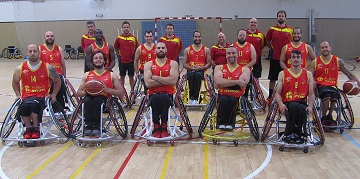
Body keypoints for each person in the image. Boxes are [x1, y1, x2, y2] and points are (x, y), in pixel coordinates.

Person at [12, 44, 61, 139]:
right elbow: (15, 82)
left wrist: (54, 94)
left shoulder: (48, 67)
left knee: (34, 105)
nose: (32, 53)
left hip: (42, 97)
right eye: (30, 51)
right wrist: (18, 95)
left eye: (34, 51)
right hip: (26, 97)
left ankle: (36, 128)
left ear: (39, 53)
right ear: (27, 53)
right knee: (24, 106)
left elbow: (58, 81)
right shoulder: (20, 68)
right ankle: (29, 128)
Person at [308, 41, 360, 126]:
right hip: (321, 86)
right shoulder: (315, 62)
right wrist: (312, 82)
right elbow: (309, 75)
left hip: (333, 86)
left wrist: (358, 83)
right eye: (322, 48)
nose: (325, 49)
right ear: (320, 50)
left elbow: (349, 74)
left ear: (330, 48)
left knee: (335, 96)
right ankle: (323, 117)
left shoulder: (337, 61)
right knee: (327, 96)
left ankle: (329, 116)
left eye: (326, 47)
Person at [77, 51, 125, 137]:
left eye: (100, 58)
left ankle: (97, 126)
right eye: (95, 58)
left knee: (97, 100)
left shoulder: (112, 75)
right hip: (89, 98)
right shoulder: (87, 75)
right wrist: (85, 92)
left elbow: (121, 93)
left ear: (104, 61)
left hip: (105, 100)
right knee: (87, 100)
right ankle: (88, 126)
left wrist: (108, 90)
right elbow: (79, 93)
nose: (98, 60)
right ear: (92, 61)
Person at [275, 50, 315, 143]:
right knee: (294, 106)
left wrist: (310, 106)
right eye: (293, 57)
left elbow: (311, 94)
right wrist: (280, 104)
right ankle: (291, 133)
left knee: (301, 108)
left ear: (302, 60)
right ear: (290, 60)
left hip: (302, 102)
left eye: (298, 57)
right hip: (288, 103)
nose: (296, 59)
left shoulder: (308, 74)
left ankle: (297, 133)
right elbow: (277, 93)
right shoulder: (283, 73)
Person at [143, 42, 179, 138]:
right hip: (153, 93)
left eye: (163, 48)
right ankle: (156, 125)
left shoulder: (173, 63)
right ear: (155, 50)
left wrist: (155, 77)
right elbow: (148, 83)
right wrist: (166, 80)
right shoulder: (148, 64)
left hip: (168, 94)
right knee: (155, 98)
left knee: (163, 98)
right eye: (158, 48)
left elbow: (173, 81)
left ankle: (164, 125)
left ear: (166, 50)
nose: (161, 50)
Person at [214, 46, 251, 130]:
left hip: (237, 96)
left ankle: (230, 123)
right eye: (229, 53)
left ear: (238, 55)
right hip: (222, 94)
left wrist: (224, 82)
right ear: (226, 56)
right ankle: (221, 122)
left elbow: (243, 84)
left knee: (231, 100)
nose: (231, 55)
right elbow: (218, 82)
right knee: (224, 100)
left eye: (233, 53)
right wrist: (237, 82)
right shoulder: (219, 67)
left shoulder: (245, 69)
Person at [266, 10, 293, 102]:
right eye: (279, 16)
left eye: (282, 16)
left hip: (286, 59)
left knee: (286, 78)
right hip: (275, 57)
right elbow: (267, 41)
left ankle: (285, 96)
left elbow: (293, 43)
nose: (281, 17)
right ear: (277, 18)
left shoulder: (290, 30)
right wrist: (273, 48)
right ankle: (270, 97)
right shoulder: (272, 29)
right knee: (273, 78)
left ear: (285, 18)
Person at [39, 31, 67, 109]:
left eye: (51, 36)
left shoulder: (59, 49)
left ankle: (60, 108)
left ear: (54, 38)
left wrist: (65, 77)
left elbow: (63, 65)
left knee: (59, 84)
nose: (50, 37)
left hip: (58, 75)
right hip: (45, 75)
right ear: (44, 38)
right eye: (47, 36)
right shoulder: (40, 49)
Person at [182, 31, 211, 104]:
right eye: (195, 37)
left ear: (201, 37)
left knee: (197, 75)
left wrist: (201, 68)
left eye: (198, 37)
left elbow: (209, 64)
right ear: (193, 38)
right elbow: (184, 64)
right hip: (191, 70)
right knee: (191, 75)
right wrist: (191, 68)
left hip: (201, 71)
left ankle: (196, 98)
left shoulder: (206, 49)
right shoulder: (187, 49)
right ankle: (191, 98)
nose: (197, 38)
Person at [114, 21, 138, 91]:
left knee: (131, 77)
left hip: (131, 61)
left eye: (127, 27)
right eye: (124, 27)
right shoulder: (119, 38)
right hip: (122, 61)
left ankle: (132, 92)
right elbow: (115, 47)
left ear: (129, 28)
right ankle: (122, 92)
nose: (126, 28)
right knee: (122, 77)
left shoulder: (133, 38)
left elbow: (137, 48)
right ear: (122, 28)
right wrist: (119, 54)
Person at [134, 30, 156, 94]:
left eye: (150, 36)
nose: (149, 38)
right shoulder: (140, 48)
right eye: (147, 36)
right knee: (146, 87)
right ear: (144, 37)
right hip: (143, 70)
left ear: (153, 37)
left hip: (154, 70)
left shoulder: (157, 47)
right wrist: (137, 72)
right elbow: (135, 60)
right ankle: (146, 101)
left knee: (154, 87)